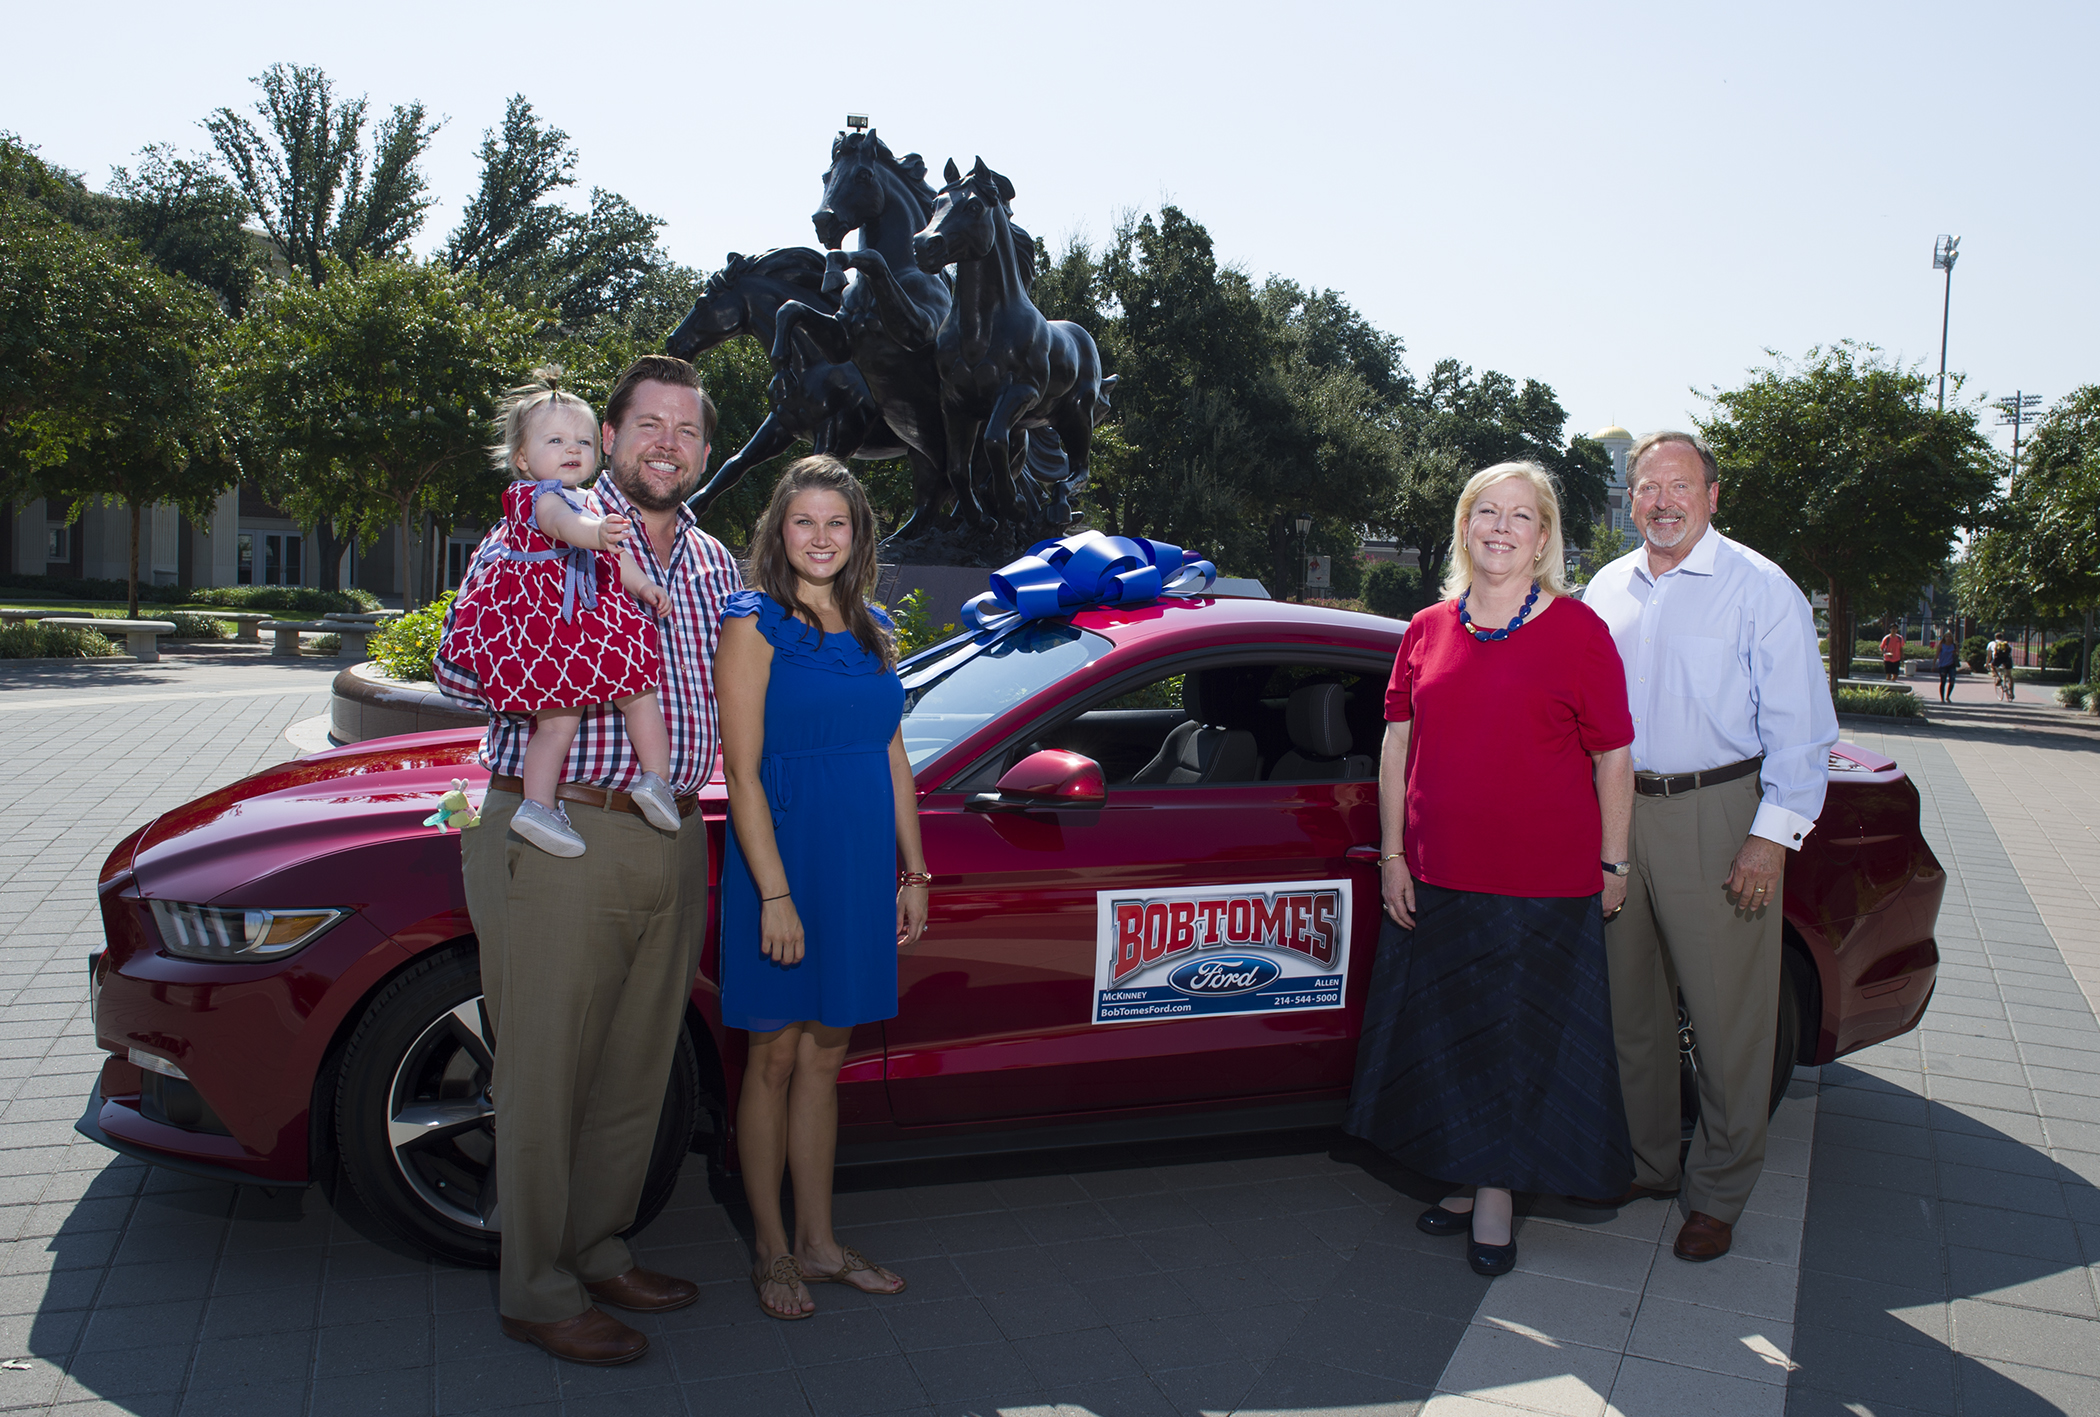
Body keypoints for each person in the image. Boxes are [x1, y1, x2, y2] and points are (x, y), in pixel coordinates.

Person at [435, 355, 743, 1365]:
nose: (667, 442)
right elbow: (456, 661)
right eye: (648, 422)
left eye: (686, 429)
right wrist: (542, 640)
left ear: (703, 449)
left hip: (671, 827)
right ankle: (535, 1285)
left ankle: (598, 1247)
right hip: (557, 825)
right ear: (610, 436)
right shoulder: (544, 521)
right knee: (545, 1070)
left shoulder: (708, 560)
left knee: (633, 1070)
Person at [1345, 460, 1636, 1279]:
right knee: (1450, 1037)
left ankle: (1499, 1198)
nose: (1501, 528)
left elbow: (1615, 753)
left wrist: (1615, 857)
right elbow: (1397, 744)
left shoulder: (1579, 631)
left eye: (1521, 516)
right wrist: (1394, 856)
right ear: (1465, 526)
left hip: (1541, 886)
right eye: (1486, 512)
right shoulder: (1426, 627)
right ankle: (1473, 1178)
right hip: (1438, 875)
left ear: (1544, 538)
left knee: (1513, 1043)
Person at [1580, 431, 1837, 1262]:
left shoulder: (1760, 589)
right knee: (1633, 1009)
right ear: (1631, 498)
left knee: (1728, 1019)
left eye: (1679, 485)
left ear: (1712, 495)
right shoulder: (1606, 586)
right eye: (1647, 485)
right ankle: (1651, 1161)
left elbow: (1802, 728)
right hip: (1620, 815)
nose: (1661, 500)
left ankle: (1720, 1189)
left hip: (1720, 812)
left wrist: (1771, 840)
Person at [716, 455, 929, 1320]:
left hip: (855, 867)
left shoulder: (875, 627)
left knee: (828, 1055)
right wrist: (773, 894)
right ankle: (770, 1249)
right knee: (771, 1054)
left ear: (858, 533)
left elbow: (893, 755)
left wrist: (913, 869)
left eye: (835, 523)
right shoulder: (753, 622)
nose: (820, 537)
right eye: (804, 522)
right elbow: (740, 772)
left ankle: (820, 1241)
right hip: (783, 862)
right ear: (778, 530)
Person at [440, 370, 682, 856]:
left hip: (576, 631)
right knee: (628, 696)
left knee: (596, 710)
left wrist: (645, 586)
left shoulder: (587, 501)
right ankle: (550, 802)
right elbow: (564, 526)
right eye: (555, 440)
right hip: (557, 632)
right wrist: (594, 534)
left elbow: (620, 560)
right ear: (522, 459)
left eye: (583, 441)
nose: (573, 449)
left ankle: (634, 785)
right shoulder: (537, 498)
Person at [1934, 627, 1960, 704]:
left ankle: (1948, 696)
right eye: (1947, 637)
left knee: (1952, 681)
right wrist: (1933, 664)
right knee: (1943, 681)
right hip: (1943, 665)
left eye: (1949, 637)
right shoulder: (1941, 645)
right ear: (1944, 638)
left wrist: (1955, 653)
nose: (1948, 638)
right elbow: (1936, 655)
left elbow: (1957, 654)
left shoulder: (1954, 645)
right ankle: (1942, 698)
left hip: (1951, 665)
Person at [1989, 631, 2015, 701]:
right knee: (2009, 675)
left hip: (1998, 659)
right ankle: (2011, 692)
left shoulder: (1992, 643)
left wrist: (1987, 663)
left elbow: (1989, 655)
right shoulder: (2006, 644)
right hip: (2007, 659)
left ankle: (1998, 678)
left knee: (1992, 666)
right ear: (2002, 637)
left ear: (1995, 637)